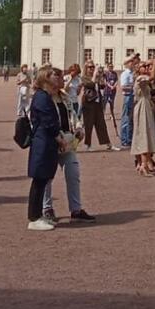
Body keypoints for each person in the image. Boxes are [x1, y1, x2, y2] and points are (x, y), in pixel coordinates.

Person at [41, 74, 96, 223]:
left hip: (68, 141)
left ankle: (76, 209)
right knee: (47, 177)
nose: (61, 80)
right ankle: (47, 208)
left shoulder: (64, 96)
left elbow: (73, 115)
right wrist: (57, 137)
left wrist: (78, 128)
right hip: (52, 142)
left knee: (73, 173)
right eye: (57, 77)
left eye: (60, 77)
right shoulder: (44, 98)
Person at [27, 65, 65, 231]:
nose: (57, 78)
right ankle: (34, 217)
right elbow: (48, 122)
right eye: (53, 76)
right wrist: (60, 139)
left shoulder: (46, 96)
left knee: (43, 179)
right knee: (39, 180)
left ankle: (38, 215)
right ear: (45, 79)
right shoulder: (42, 97)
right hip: (42, 143)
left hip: (47, 143)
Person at [79, 62, 116, 151]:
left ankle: (108, 143)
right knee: (88, 124)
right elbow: (90, 85)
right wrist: (95, 76)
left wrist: (101, 77)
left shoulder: (96, 77)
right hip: (88, 103)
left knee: (101, 124)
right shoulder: (84, 78)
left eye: (93, 67)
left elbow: (102, 86)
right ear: (86, 68)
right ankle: (88, 145)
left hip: (97, 103)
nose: (92, 69)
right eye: (90, 67)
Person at [131, 63, 155, 176]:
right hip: (142, 107)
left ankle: (145, 163)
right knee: (143, 135)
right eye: (144, 66)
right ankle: (143, 164)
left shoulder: (143, 79)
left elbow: (154, 76)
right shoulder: (139, 78)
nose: (146, 68)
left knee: (149, 134)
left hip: (146, 106)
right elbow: (152, 77)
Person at [118, 56, 136, 149]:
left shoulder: (133, 73)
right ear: (127, 64)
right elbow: (123, 87)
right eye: (131, 62)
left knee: (131, 118)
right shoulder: (125, 74)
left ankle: (129, 138)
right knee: (126, 118)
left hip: (132, 96)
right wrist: (134, 86)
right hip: (128, 96)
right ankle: (125, 139)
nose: (133, 63)